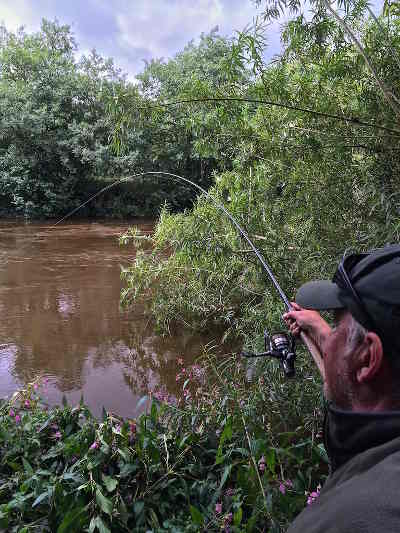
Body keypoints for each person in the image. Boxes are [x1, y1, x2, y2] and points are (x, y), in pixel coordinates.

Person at [283, 243, 400, 533]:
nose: (329, 334)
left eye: (337, 327)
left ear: (367, 359)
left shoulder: (338, 521)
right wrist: (320, 329)